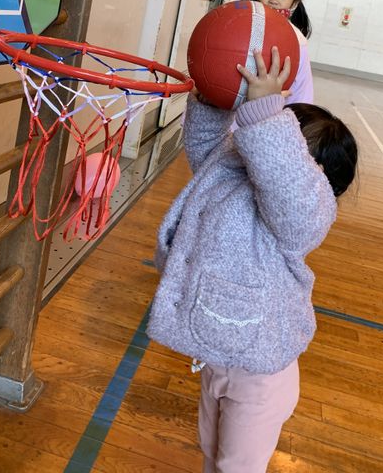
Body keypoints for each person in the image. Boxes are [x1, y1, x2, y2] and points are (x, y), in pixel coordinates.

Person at [147, 48, 358, 473]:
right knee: (212, 451)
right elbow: (210, 145)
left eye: (278, 136)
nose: (255, 149)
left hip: (260, 372)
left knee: (237, 467)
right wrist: (214, 96)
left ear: (312, 170)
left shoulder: (304, 209)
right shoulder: (232, 167)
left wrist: (265, 116)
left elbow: (286, 181)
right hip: (216, 350)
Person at [244, 0, 313, 104]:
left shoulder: (298, 41)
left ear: (294, 2)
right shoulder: (240, 21)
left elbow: (301, 92)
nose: (274, 0)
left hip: (266, 111)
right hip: (229, 111)